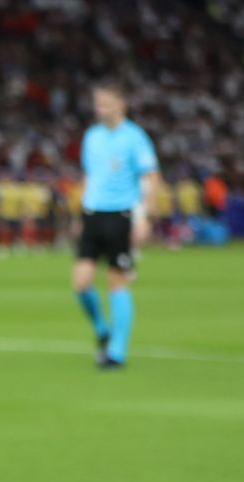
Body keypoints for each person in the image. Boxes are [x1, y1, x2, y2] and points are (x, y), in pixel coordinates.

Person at [71, 83, 157, 371]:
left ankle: (117, 351)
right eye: (98, 103)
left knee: (116, 280)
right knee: (81, 282)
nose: (100, 109)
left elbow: (151, 177)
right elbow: (90, 175)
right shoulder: (91, 136)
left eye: (106, 103)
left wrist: (145, 217)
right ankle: (101, 329)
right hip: (92, 213)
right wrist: (79, 211)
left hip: (120, 214)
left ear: (122, 104)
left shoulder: (135, 137)